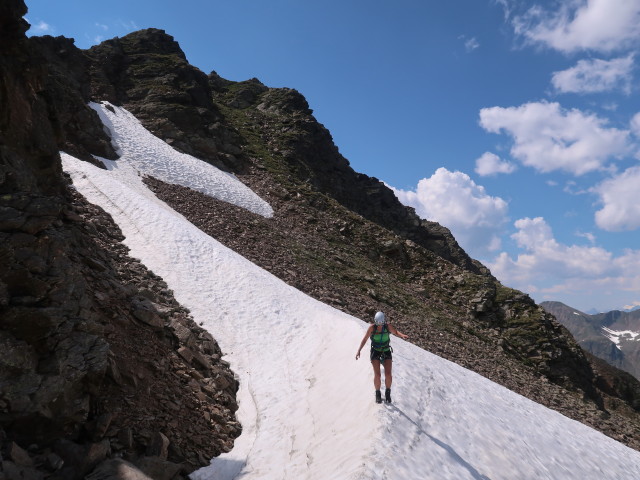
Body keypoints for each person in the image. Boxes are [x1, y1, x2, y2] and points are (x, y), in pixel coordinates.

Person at [355, 311, 409, 404]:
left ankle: (388, 393)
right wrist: (359, 350)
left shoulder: (387, 326)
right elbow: (365, 339)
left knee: (388, 374)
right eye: (378, 324)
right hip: (375, 351)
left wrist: (402, 335)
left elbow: (395, 332)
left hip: (386, 350)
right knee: (378, 375)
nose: (380, 325)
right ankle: (378, 394)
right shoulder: (372, 328)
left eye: (381, 323)